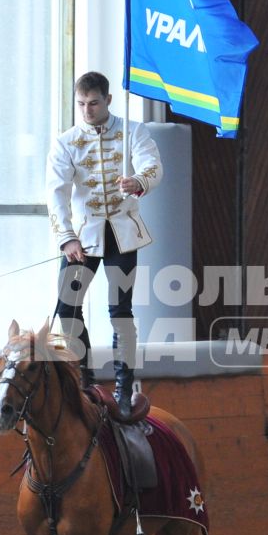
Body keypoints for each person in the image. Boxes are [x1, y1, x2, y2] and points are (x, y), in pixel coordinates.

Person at [47, 71, 160, 414]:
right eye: (81, 103)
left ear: (108, 100)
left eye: (93, 103)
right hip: (83, 237)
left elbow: (153, 166)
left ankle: (124, 388)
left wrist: (139, 180)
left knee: (120, 312)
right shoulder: (65, 141)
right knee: (67, 309)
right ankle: (85, 380)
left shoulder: (133, 131)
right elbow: (55, 193)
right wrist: (65, 238)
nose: (87, 110)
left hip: (122, 236)